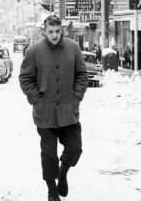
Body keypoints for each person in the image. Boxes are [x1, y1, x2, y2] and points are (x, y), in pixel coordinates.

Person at [19, 14, 89, 201]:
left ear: (62, 31)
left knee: (75, 148)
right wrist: (36, 99)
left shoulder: (73, 48)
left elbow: (82, 74)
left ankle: (63, 172)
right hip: (45, 114)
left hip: (68, 112)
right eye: (51, 32)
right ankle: (51, 189)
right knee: (49, 155)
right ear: (44, 31)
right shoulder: (34, 51)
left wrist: (77, 96)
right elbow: (25, 78)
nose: (55, 35)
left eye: (58, 31)